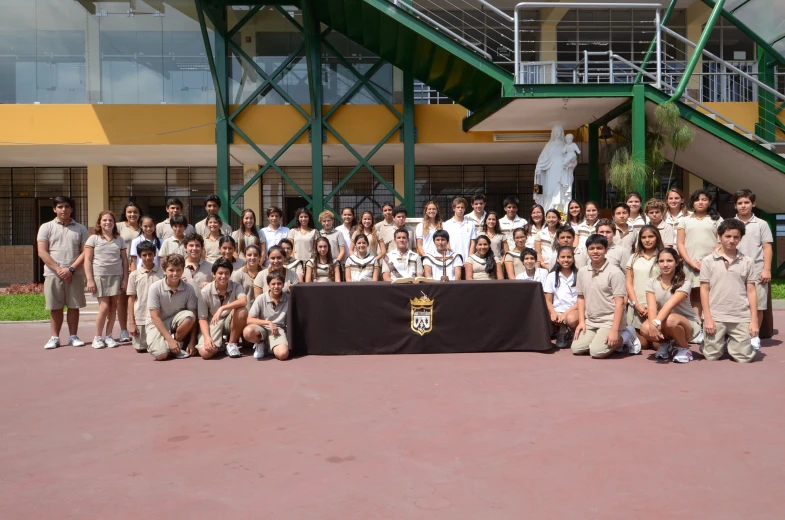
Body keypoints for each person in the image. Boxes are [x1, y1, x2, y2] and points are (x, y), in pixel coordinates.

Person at [699, 219, 758, 363]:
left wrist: (754, 320)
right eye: (727, 236)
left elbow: (751, 291)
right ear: (720, 236)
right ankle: (711, 343)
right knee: (711, 356)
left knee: (744, 358)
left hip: (740, 315)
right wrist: (707, 318)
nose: (731, 240)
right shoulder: (708, 261)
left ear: (741, 238)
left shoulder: (748, 261)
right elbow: (704, 289)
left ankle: (734, 344)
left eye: (736, 237)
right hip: (716, 314)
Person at [38, 196, 88, 350]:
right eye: (60, 206)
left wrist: (71, 269)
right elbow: (42, 251)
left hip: (75, 273)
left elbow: (85, 252)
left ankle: (73, 336)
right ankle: (54, 337)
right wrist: (59, 269)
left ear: (72, 209)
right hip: (53, 274)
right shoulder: (46, 227)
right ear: (54, 209)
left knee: (74, 306)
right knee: (55, 306)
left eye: (67, 206)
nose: (63, 209)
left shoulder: (80, 228)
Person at [640, 248, 703, 363]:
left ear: (677, 262)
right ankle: (665, 344)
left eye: (669, 261)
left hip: (687, 323)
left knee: (670, 319)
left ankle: (685, 349)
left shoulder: (685, 282)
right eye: (661, 261)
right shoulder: (651, 282)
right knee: (645, 328)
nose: (665, 265)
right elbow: (652, 307)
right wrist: (652, 325)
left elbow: (670, 304)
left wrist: (656, 323)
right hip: (664, 320)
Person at [571, 234, 627, 358]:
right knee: (576, 348)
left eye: (599, 248)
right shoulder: (582, 271)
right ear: (587, 251)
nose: (595, 251)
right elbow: (581, 298)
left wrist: (614, 330)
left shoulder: (615, 272)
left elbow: (620, 303)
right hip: (591, 321)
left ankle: (625, 336)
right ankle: (599, 338)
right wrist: (581, 322)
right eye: (591, 248)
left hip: (610, 321)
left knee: (597, 352)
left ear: (606, 250)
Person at [734, 189, 773, 351]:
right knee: (736, 304)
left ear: (753, 204)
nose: (743, 206)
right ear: (735, 206)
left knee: (758, 305)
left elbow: (767, 247)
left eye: (746, 202)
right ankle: (737, 336)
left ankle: (754, 336)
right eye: (740, 203)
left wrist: (767, 269)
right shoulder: (730, 223)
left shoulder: (761, 224)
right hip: (734, 270)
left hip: (757, 270)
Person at [85, 210, 129, 349]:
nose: (107, 223)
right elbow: (87, 260)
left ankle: (109, 336)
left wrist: (125, 279)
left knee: (113, 307)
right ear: (99, 222)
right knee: (104, 307)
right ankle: (97, 337)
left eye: (110, 220)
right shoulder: (93, 238)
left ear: (114, 223)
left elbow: (125, 261)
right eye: (104, 220)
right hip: (100, 277)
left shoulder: (119, 239)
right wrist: (90, 279)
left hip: (116, 277)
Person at [676, 189, 723, 319]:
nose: (700, 202)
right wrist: (690, 262)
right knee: (695, 294)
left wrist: (707, 261)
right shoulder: (684, 220)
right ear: (692, 202)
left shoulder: (717, 219)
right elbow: (680, 244)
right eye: (697, 200)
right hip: (690, 264)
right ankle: (697, 326)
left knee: (712, 294)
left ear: (710, 202)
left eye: (704, 199)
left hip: (712, 263)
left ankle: (711, 323)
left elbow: (720, 242)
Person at [145, 253, 198, 361]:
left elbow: (194, 316)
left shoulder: (189, 289)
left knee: (190, 316)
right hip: (157, 322)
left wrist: (193, 342)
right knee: (161, 355)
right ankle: (171, 345)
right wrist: (169, 340)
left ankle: (177, 344)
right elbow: (155, 317)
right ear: (164, 270)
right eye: (171, 270)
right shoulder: (155, 288)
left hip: (176, 321)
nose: (175, 273)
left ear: (183, 270)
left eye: (178, 270)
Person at [196, 258, 248, 359]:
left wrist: (222, 308)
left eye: (226, 273)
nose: (223, 276)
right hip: (213, 322)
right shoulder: (205, 292)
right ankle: (221, 344)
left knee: (242, 310)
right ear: (213, 274)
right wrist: (207, 338)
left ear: (230, 274)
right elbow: (202, 319)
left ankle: (231, 344)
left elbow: (243, 301)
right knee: (206, 353)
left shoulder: (236, 286)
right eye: (220, 273)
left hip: (230, 321)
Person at [623, 225, 664, 353]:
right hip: (637, 306)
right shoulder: (634, 257)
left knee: (657, 345)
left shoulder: (663, 256)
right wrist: (636, 304)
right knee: (644, 345)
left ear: (657, 237)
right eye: (644, 237)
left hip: (658, 307)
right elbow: (629, 283)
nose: (647, 240)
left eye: (651, 236)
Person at [244, 272, 291, 360]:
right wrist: (268, 323)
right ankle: (260, 343)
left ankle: (270, 345)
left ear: (283, 284)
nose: (276, 286)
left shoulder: (289, 298)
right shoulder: (261, 298)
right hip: (262, 328)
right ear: (268, 285)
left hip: (278, 330)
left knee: (282, 355)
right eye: (273, 284)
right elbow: (249, 320)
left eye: (279, 283)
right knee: (248, 331)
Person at [126, 241, 163, 353]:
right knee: (141, 349)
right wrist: (132, 323)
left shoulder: (162, 274)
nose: (147, 257)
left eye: (150, 254)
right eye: (144, 255)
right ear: (139, 256)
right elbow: (131, 299)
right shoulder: (134, 275)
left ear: (155, 254)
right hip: (141, 318)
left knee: (159, 348)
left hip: (159, 318)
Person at [114, 202, 142, 345]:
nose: (132, 214)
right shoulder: (118, 226)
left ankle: (138, 328)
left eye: (135, 212)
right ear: (125, 213)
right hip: (123, 268)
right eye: (129, 212)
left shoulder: (143, 227)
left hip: (140, 269)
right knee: (123, 300)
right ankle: (124, 329)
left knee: (139, 299)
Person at [543, 246, 580, 348]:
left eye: (569, 257)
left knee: (571, 319)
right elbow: (548, 300)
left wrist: (565, 314)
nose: (566, 260)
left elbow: (581, 300)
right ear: (557, 259)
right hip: (557, 310)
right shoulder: (551, 276)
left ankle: (570, 331)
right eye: (562, 257)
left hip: (573, 310)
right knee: (544, 319)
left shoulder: (579, 275)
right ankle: (563, 333)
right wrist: (554, 313)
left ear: (573, 259)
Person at [442, 196, 476, 262]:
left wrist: (469, 259)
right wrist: (452, 256)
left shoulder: (471, 224)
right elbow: (446, 243)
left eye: (462, 207)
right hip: (451, 259)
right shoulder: (446, 224)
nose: (460, 209)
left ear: (465, 209)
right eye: (458, 207)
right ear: (454, 208)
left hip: (466, 260)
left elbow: (473, 243)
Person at [231, 243, 262, 310]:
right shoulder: (238, 274)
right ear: (245, 256)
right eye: (249, 255)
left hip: (263, 309)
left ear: (260, 257)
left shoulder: (265, 272)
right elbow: (235, 296)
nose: (252, 257)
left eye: (256, 255)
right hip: (244, 310)